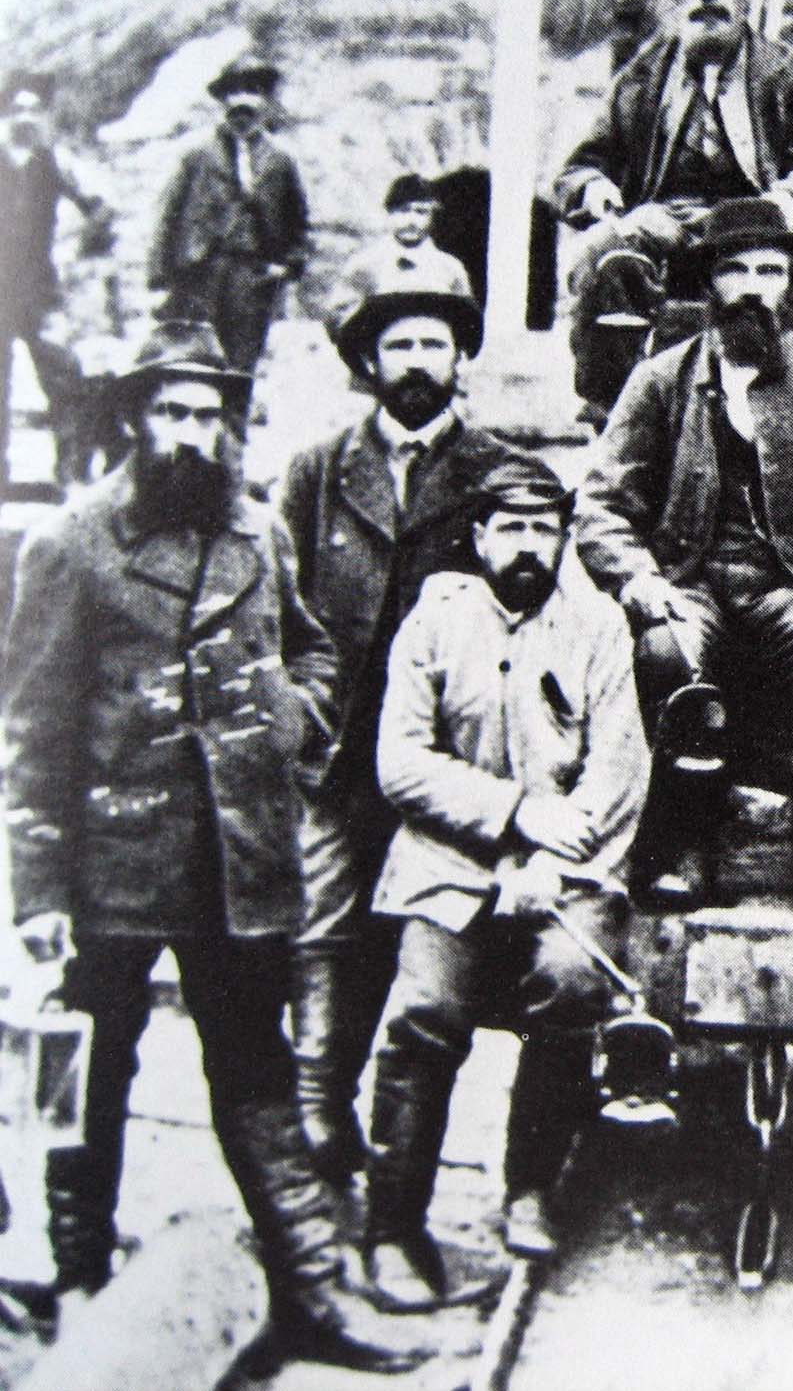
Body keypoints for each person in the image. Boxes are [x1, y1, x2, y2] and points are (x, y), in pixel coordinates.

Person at [0, 320, 423, 1376]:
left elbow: (313, 648)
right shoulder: (74, 543)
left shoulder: (255, 531)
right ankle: (81, 1278)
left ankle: (316, 1295)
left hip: (240, 863)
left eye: (211, 414)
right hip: (114, 864)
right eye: (174, 412)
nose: (195, 434)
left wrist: (293, 715)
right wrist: (38, 891)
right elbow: (32, 730)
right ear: (138, 417)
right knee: (89, 1079)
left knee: (260, 1081)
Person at [361, 456, 649, 1305]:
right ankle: (392, 1230)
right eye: (510, 529)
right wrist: (515, 816)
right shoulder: (436, 619)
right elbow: (401, 765)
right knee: (424, 1014)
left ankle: (529, 1185)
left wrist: (552, 865)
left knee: (567, 988)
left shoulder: (597, 625)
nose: (528, 547)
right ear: (480, 537)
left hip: (569, 867)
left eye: (544, 529)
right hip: (449, 863)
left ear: (565, 538)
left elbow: (618, 772)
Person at [577, 196, 793, 907]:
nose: (755, 287)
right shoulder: (662, 379)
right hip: (688, 580)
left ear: (791, 284)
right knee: (666, 653)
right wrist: (637, 577)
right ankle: (683, 844)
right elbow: (601, 502)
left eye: (771, 270)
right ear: (708, 285)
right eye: (737, 271)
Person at [277, 269, 509, 1186]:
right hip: (335, 752)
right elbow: (281, 611)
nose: (417, 363)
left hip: (438, 762)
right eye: (399, 346)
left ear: (459, 363)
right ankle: (315, 1126)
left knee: (425, 960)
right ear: (368, 362)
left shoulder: (495, 472)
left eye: (434, 346)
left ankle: (398, 1167)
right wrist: (296, 717)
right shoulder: (320, 469)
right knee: (324, 933)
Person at [552, 0, 793, 415]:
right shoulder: (642, 78)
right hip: (666, 224)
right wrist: (595, 189)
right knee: (602, 253)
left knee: (766, 269)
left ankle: (770, 409)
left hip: (758, 224)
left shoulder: (791, 72)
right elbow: (580, 167)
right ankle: (615, 415)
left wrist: (781, 203)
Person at [149, 53, 308, 373]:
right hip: (201, 272)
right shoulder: (198, 156)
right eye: (234, 92)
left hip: (252, 275)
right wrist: (159, 276)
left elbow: (298, 221)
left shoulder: (280, 161)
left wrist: (287, 266)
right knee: (196, 358)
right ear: (223, 102)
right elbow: (169, 213)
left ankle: (236, 423)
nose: (242, 101)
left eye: (252, 90)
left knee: (242, 363)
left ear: (265, 101)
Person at [0, 71, 106, 488]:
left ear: (43, 115)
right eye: (17, 109)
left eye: (34, 110)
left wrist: (77, 254)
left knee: (62, 379)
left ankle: (69, 471)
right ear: (7, 113)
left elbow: (98, 207)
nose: (26, 117)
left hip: (40, 290)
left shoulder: (55, 161)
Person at [331, 173, 472, 318]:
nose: (412, 220)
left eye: (421, 212)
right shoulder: (364, 264)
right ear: (389, 214)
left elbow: (465, 320)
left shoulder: (450, 268)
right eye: (403, 210)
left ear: (432, 217)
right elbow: (338, 319)